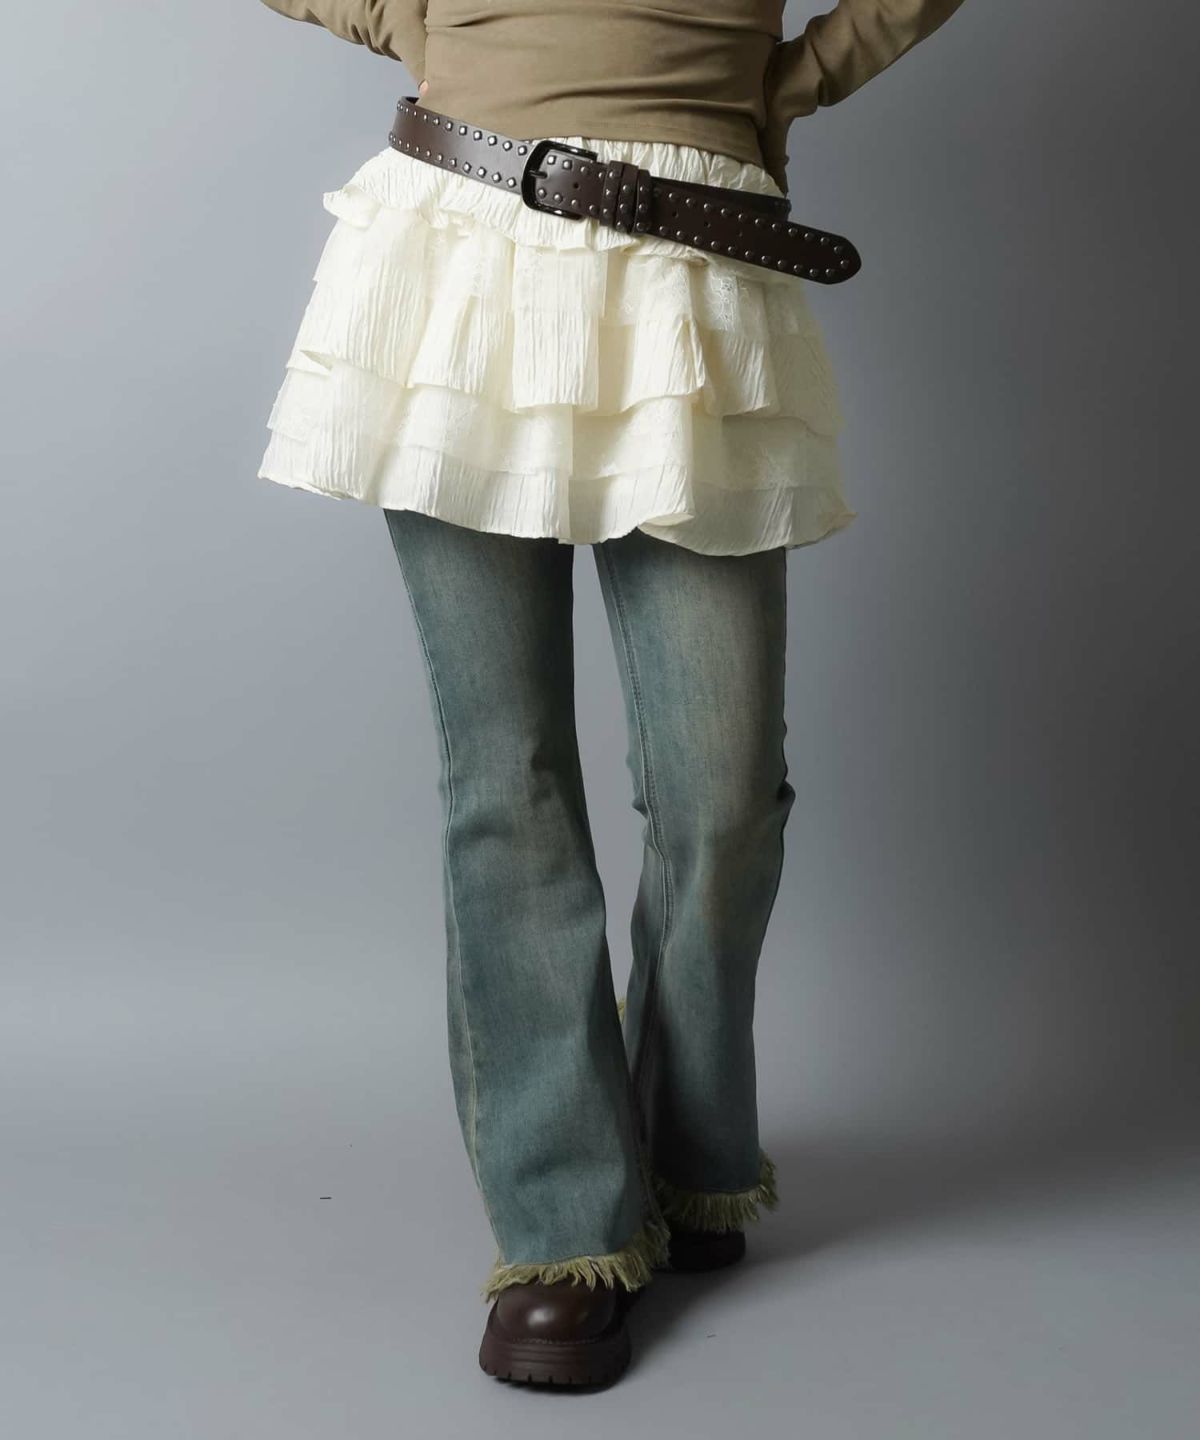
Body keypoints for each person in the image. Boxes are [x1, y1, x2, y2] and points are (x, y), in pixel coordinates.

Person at [256, 0, 968, 1389]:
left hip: (696, 258)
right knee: (506, 779)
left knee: (724, 795)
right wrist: (414, 22)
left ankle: (691, 1150)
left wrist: (796, 81)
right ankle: (560, 1227)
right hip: (463, 241)